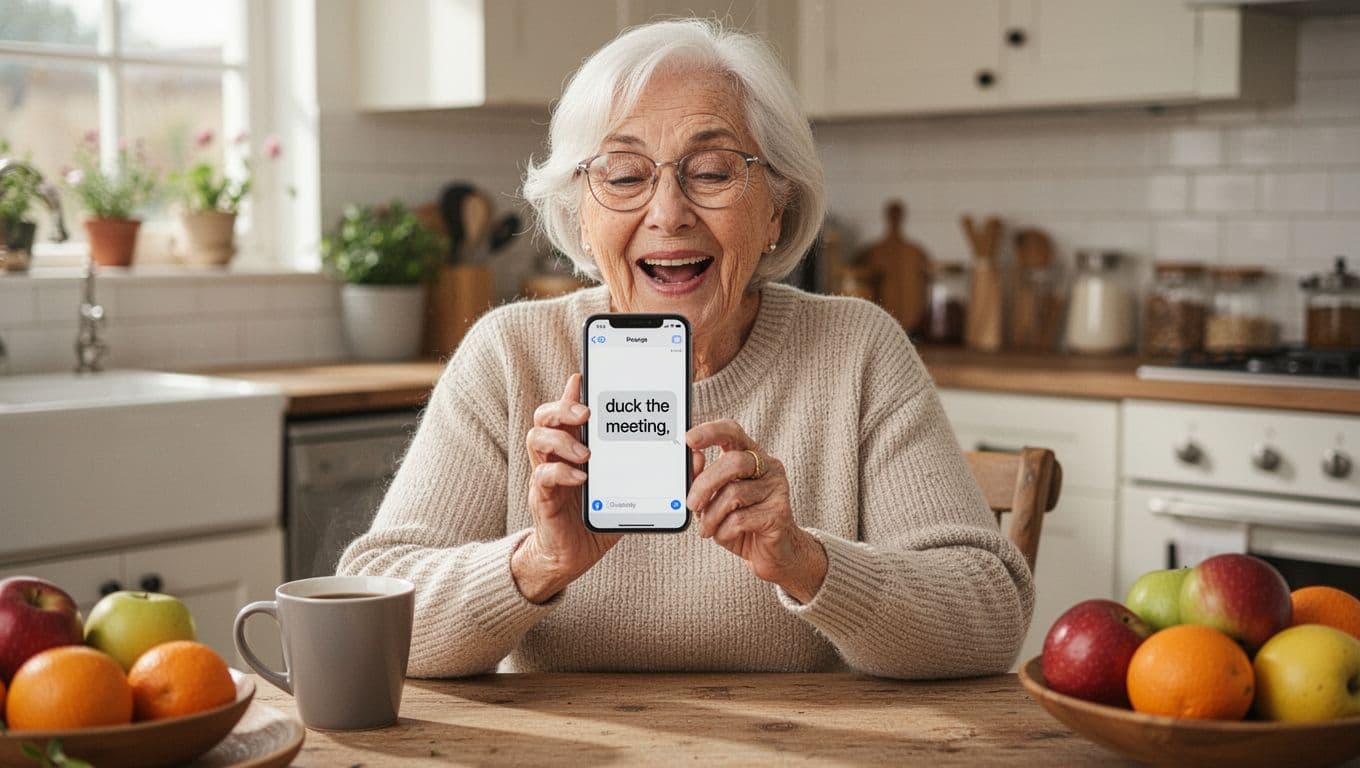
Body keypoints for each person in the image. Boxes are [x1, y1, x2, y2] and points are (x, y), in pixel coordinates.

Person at [337, 18, 1033, 679]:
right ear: (582, 215)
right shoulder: (510, 353)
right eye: (624, 174)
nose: (668, 212)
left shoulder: (858, 349)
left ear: (775, 210)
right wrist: (537, 562)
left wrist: (805, 560)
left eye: (711, 171)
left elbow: (990, 616)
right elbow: (367, 613)